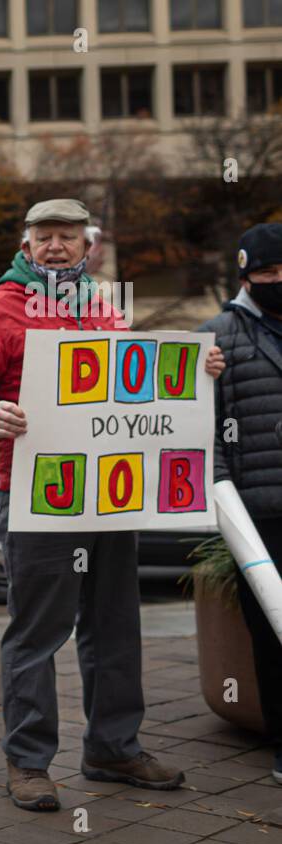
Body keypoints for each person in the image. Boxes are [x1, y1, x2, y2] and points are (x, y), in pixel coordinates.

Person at [0, 199, 225, 812]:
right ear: (26, 247)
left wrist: (196, 370)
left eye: (66, 238)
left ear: (86, 247)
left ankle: (113, 747)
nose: (55, 247)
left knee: (115, 625)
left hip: (107, 494)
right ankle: (27, 761)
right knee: (37, 632)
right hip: (34, 495)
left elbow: (141, 380)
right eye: (43, 237)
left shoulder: (105, 309)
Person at [199, 222, 282, 785]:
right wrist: (229, 505)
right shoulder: (217, 338)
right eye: (269, 274)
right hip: (260, 514)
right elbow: (205, 437)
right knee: (273, 632)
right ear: (247, 274)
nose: (279, 282)